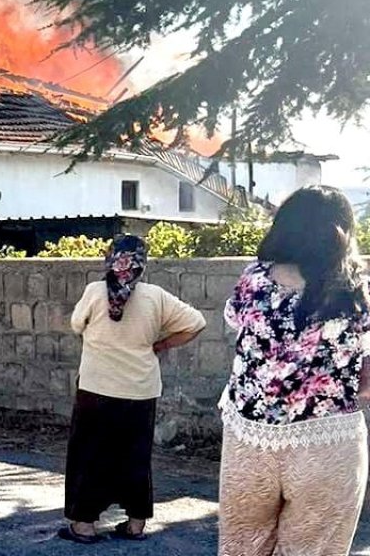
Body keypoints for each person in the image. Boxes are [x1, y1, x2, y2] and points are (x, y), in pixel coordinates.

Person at [219, 186, 370, 556]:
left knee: (241, 548)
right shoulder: (356, 292)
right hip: (329, 441)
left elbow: (236, 327)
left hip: (250, 439)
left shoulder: (253, 280)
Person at [60, 234, 206, 544]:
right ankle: (135, 523)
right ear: (142, 263)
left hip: (96, 389)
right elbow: (196, 323)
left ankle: (84, 524)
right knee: (135, 456)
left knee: (89, 454)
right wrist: (163, 343)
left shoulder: (94, 291)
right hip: (140, 391)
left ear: (110, 259)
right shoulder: (157, 297)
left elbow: (76, 324)